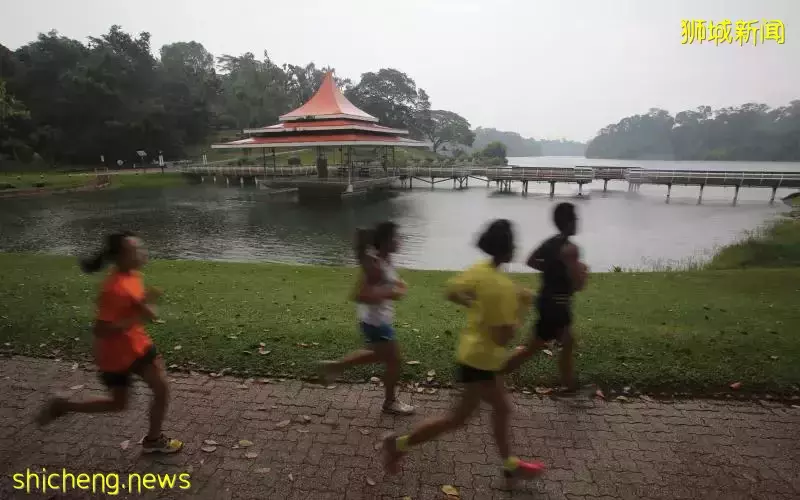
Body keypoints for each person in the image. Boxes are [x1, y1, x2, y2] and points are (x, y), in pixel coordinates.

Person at [382, 219, 545, 482]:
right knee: (458, 419)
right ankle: (397, 445)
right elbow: (504, 337)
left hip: (475, 356)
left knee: (495, 410)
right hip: (481, 361)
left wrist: (480, 305)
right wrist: (519, 312)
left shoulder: (482, 270)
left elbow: (452, 292)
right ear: (509, 248)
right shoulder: (499, 287)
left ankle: (509, 464)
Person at [36, 232, 183, 454]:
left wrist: (146, 306)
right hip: (115, 355)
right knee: (119, 404)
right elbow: (101, 329)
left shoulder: (132, 275)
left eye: (141, 248)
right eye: (135, 251)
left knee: (160, 389)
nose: (142, 253)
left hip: (137, 345)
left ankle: (153, 440)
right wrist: (137, 315)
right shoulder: (113, 289)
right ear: (121, 258)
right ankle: (64, 405)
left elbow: (137, 308)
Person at [318, 222, 414, 415]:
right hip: (376, 322)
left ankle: (336, 366)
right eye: (396, 237)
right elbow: (359, 295)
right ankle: (389, 402)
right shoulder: (376, 266)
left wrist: (398, 286)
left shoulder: (383, 261)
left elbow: (387, 285)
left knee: (386, 358)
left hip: (377, 320)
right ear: (386, 241)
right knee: (394, 360)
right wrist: (390, 293)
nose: (399, 241)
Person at [502, 202, 588, 393]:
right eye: (575, 219)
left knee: (566, 342)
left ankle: (569, 385)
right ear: (568, 222)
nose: (578, 222)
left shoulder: (550, 242)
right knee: (533, 347)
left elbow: (530, 260)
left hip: (547, 301)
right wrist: (583, 272)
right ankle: (490, 375)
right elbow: (578, 285)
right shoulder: (571, 249)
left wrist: (551, 269)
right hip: (557, 305)